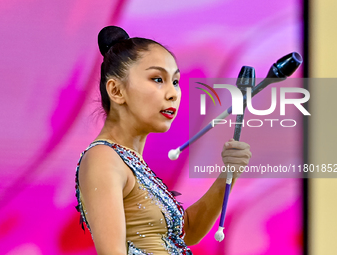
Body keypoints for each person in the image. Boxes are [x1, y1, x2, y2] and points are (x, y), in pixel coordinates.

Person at [75, 26, 252, 255]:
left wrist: (229, 173)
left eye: (175, 82)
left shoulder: (128, 161)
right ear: (117, 90)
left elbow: (186, 232)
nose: (173, 93)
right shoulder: (103, 159)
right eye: (158, 79)